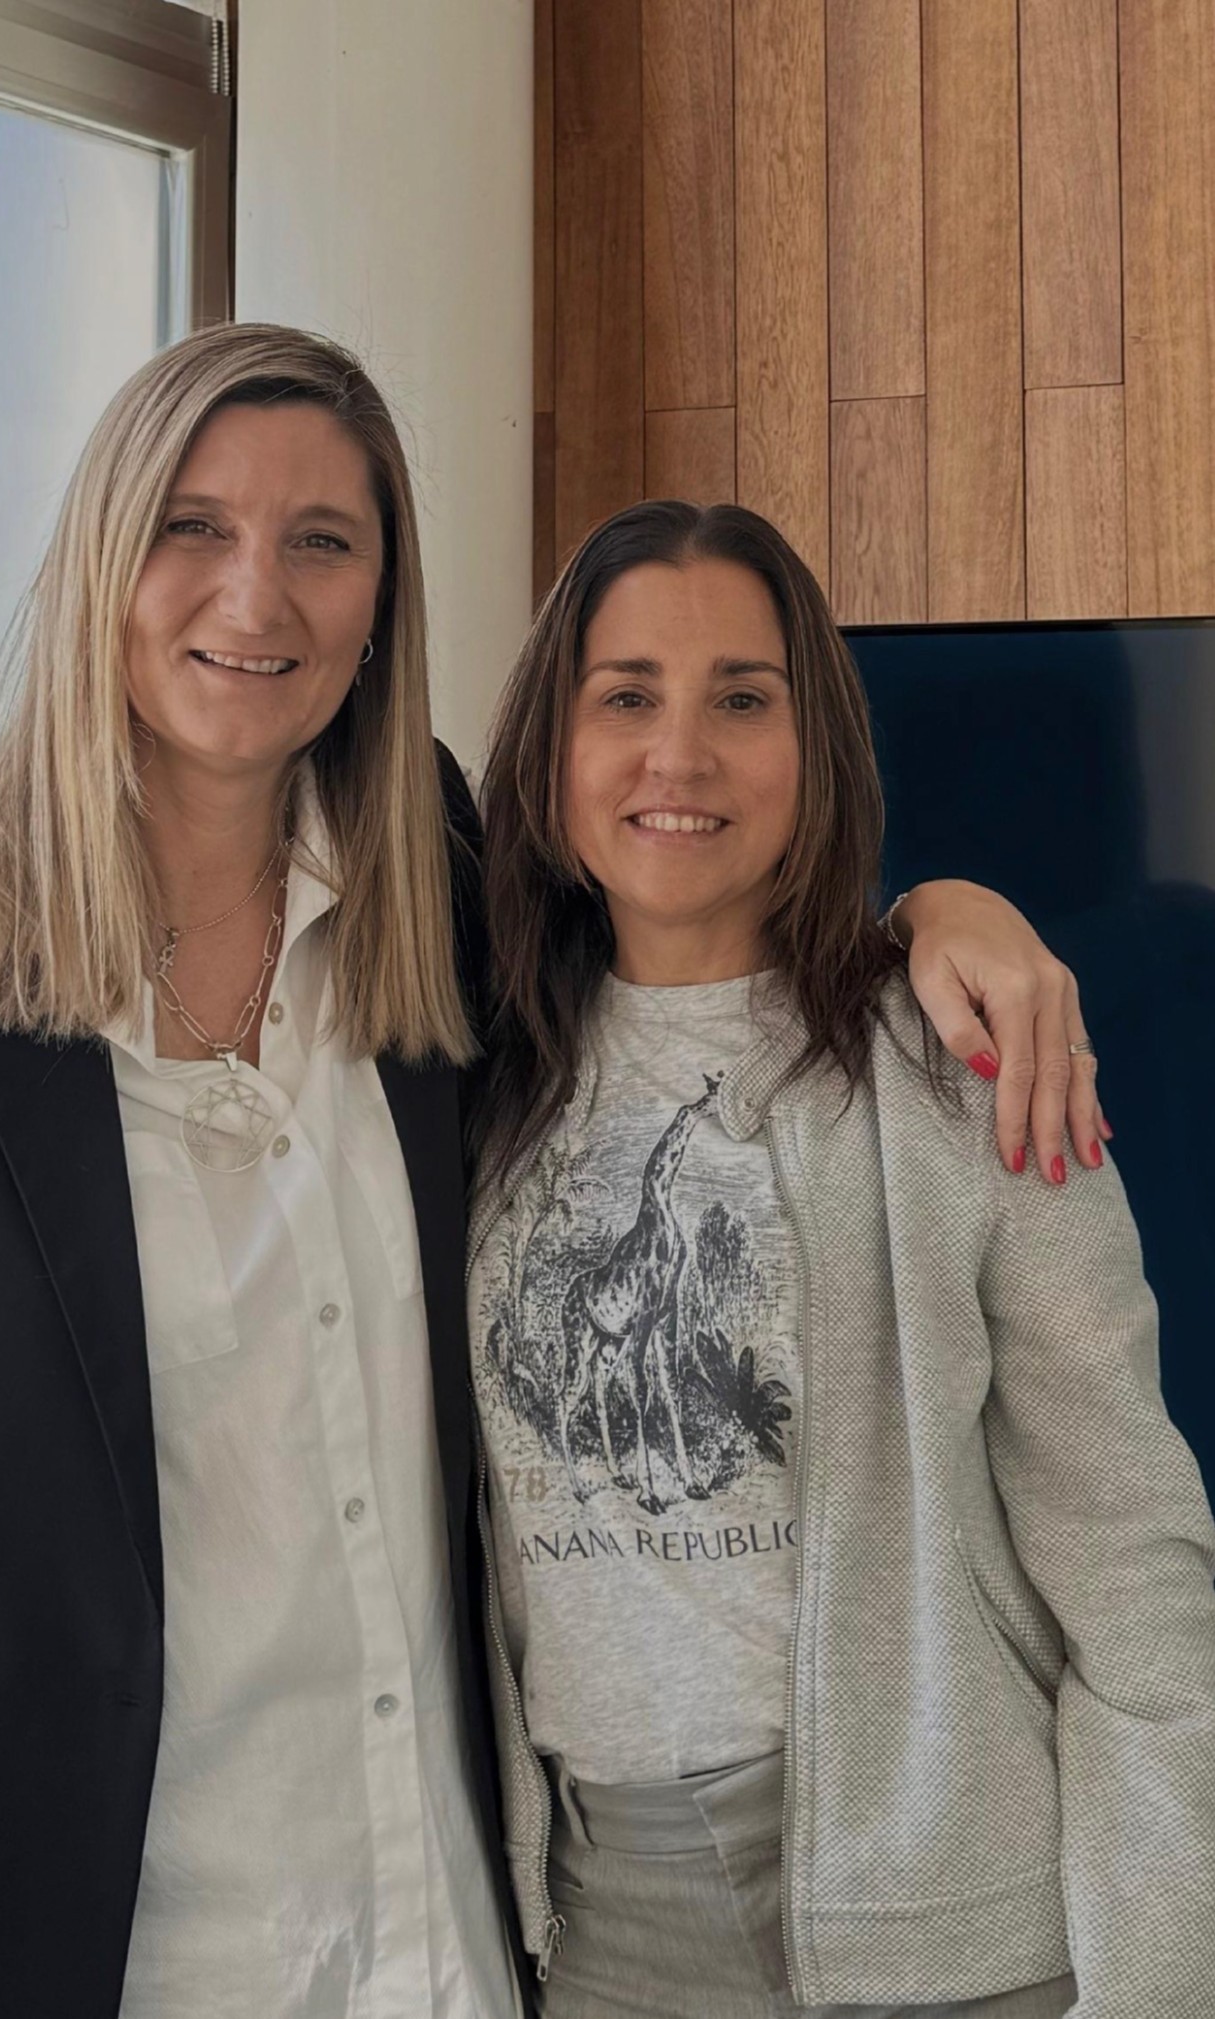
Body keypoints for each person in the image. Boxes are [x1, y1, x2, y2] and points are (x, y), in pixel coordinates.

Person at [0, 327, 1109, 2019]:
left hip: (431, 1952)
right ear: (98, 557)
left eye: (322, 542)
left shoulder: (445, 893)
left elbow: (707, 941)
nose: (255, 596)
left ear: (380, 606)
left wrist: (934, 917)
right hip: (57, 1962)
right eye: (192, 526)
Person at [468, 499, 1215, 2018]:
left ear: (818, 749)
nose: (681, 754)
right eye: (627, 697)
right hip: (601, 1933)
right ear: (551, 749)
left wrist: (1156, 1987)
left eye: (743, 699)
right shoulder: (471, 1074)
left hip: (950, 1925)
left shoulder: (969, 1061)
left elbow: (1133, 1566)